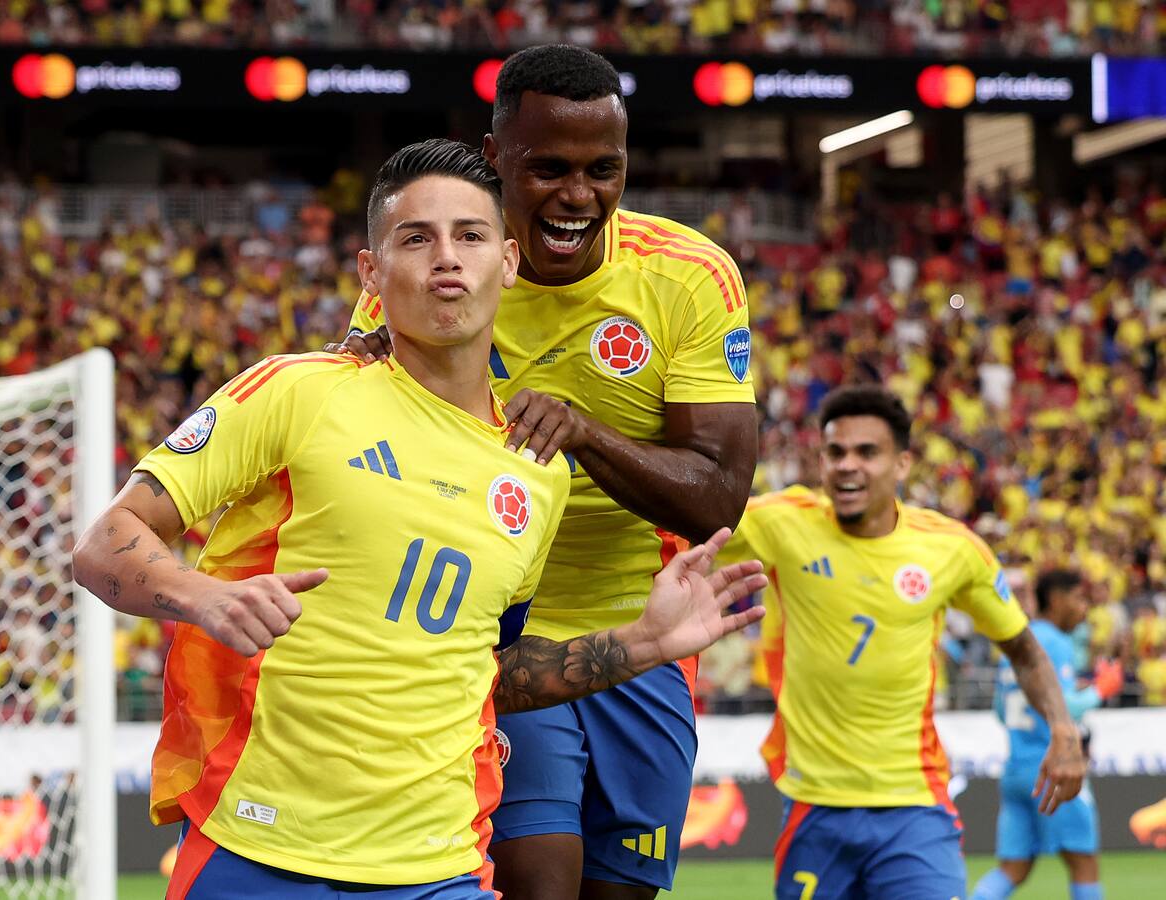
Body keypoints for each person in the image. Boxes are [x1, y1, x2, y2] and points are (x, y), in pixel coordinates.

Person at [72, 140, 766, 900]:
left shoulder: (535, 476)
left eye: (469, 236)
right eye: (416, 238)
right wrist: (201, 596)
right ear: (372, 274)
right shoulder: (298, 393)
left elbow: (485, 678)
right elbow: (107, 542)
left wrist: (644, 643)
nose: (447, 258)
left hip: (438, 871)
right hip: (258, 845)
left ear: (506, 262)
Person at [335, 45, 757, 900]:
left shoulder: (689, 277)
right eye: (549, 169)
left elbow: (719, 497)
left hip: (642, 643)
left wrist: (584, 435)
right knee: (538, 877)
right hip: (501, 645)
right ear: (496, 161)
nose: (579, 196)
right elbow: (365, 450)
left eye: (605, 169)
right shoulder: (441, 272)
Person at [716, 384, 1086, 900]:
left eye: (868, 452)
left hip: (914, 807)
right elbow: (683, 530)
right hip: (811, 807)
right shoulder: (780, 522)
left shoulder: (952, 550)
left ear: (903, 464)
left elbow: (1023, 649)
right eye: (836, 452)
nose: (848, 466)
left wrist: (1063, 729)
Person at [971, 570, 1122, 900]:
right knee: (1084, 865)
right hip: (1053, 769)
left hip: (1015, 771)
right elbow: (1061, 707)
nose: (1084, 609)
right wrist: (1101, 690)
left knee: (1012, 869)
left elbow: (1001, 710)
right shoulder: (1053, 641)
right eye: (1078, 598)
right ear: (1056, 599)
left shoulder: (1017, 640)